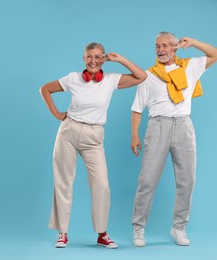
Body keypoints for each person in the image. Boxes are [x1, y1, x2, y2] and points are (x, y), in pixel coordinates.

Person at [40, 42, 146, 249]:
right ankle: (62, 233)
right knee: (63, 182)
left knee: (102, 186)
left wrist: (121, 59)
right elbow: (45, 89)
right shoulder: (72, 78)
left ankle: (102, 233)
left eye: (98, 56)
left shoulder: (111, 80)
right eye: (89, 56)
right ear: (83, 58)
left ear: (104, 59)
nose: (93, 60)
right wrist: (56, 114)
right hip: (68, 132)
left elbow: (141, 77)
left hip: (94, 136)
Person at [130, 32, 217, 247]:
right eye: (157, 46)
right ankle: (138, 228)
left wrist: (193, 43)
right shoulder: (148, 75)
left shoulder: (189, 66)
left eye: (165, 45)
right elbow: (137, 108)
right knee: (147, 180)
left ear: (175, 47)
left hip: (183, 125)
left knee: (187, 180)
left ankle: (179, 227)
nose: (160, 50)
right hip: (157, 125)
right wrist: (134, 134)